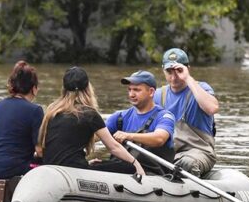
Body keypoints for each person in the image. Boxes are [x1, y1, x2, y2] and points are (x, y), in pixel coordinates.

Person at [37, 66, 145, 176]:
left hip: (51, 168)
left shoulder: (52, 110)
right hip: (75, 170)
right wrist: (135, 163)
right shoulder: (89, 114)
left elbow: (60, 149)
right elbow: (114, 147)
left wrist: (88, 164)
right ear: (88, 88)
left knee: (97, 163)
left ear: (64, 88)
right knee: (129, 167)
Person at [154, 48, 219, 177]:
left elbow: (212, 108)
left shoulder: (201, 88)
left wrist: (188, 78)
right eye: (169, 71)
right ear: (163, 70)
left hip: (199, 152)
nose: (174, 77)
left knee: (186, 163)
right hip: (168, 154)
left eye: (179, 71)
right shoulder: (158, 95)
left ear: (187, 68)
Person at [0, 61, 44, 179]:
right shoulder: (35, 111)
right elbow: (40, 151)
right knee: (47, 166)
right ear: (34, 89)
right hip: (11, 169)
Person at [106, 70, 176, 174]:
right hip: (122, 169)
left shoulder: (164, 116)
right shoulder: (119, 117)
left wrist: (128, 136)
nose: (131, 94)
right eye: (129, 90)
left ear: (151, 92)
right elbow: (96, 135)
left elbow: (159, 138)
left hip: (153, 175)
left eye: (136, 90)